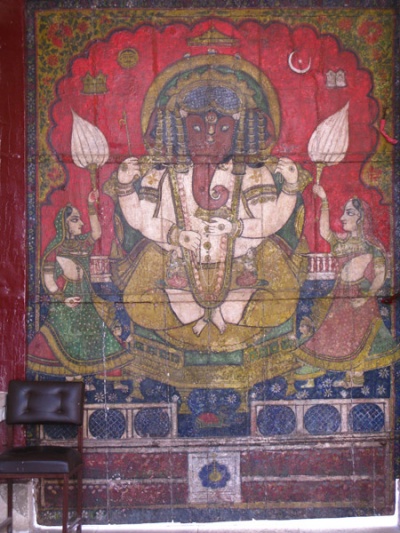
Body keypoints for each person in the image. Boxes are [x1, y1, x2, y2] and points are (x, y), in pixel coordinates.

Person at [112, 65, 311, 351]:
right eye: (196, 128)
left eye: (223, 129)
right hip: (177, 266)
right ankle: (195, 315)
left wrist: (241, 224)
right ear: (180, 129)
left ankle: (226, 313)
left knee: (280, 295)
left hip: (243, 266)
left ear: (239, 131)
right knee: (139, 302)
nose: (209, 137)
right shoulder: (163, 173)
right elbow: (141, 219)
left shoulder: (253, 173)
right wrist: (127, 189)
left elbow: (271, 219)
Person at [293, 184, 399, 388]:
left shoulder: (371, 247)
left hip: (360, 295)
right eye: (343, 212)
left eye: (349, 213)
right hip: (341, 294)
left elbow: (380, 275)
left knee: (361, 336)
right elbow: (324, 231)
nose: (342, 218)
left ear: (361, 218)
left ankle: (356, 377)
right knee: (341, 335)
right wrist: (324, 200)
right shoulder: (341, 244)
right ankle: (352, 377)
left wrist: (367, 296)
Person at [28, 190, 131, 379]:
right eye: (75, 220)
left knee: (92, 339)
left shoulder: (82, 245)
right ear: (64, 225)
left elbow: (97, 233)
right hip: (67, 302)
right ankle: (72, 381)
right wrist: (63, 299)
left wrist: (91, 205)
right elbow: (49, 280)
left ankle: (80, 381)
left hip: (85, 299)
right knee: (66, 340)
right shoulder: (55, 250)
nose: (81, 223)